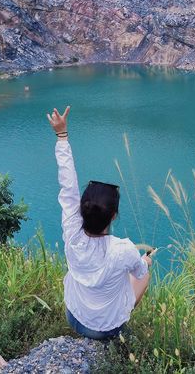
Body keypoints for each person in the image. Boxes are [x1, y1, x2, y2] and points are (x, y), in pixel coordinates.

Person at [47, 106, 153, 340]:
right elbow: (140, 271)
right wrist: (145, 260)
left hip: (74, 317)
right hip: (106, 328)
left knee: (119, 273)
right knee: (142, 275)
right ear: (113, 215)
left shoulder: (72, 230)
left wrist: (62, 136)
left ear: (82, 208)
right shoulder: (123, 249)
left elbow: (68, 184)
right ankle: (117, 336)